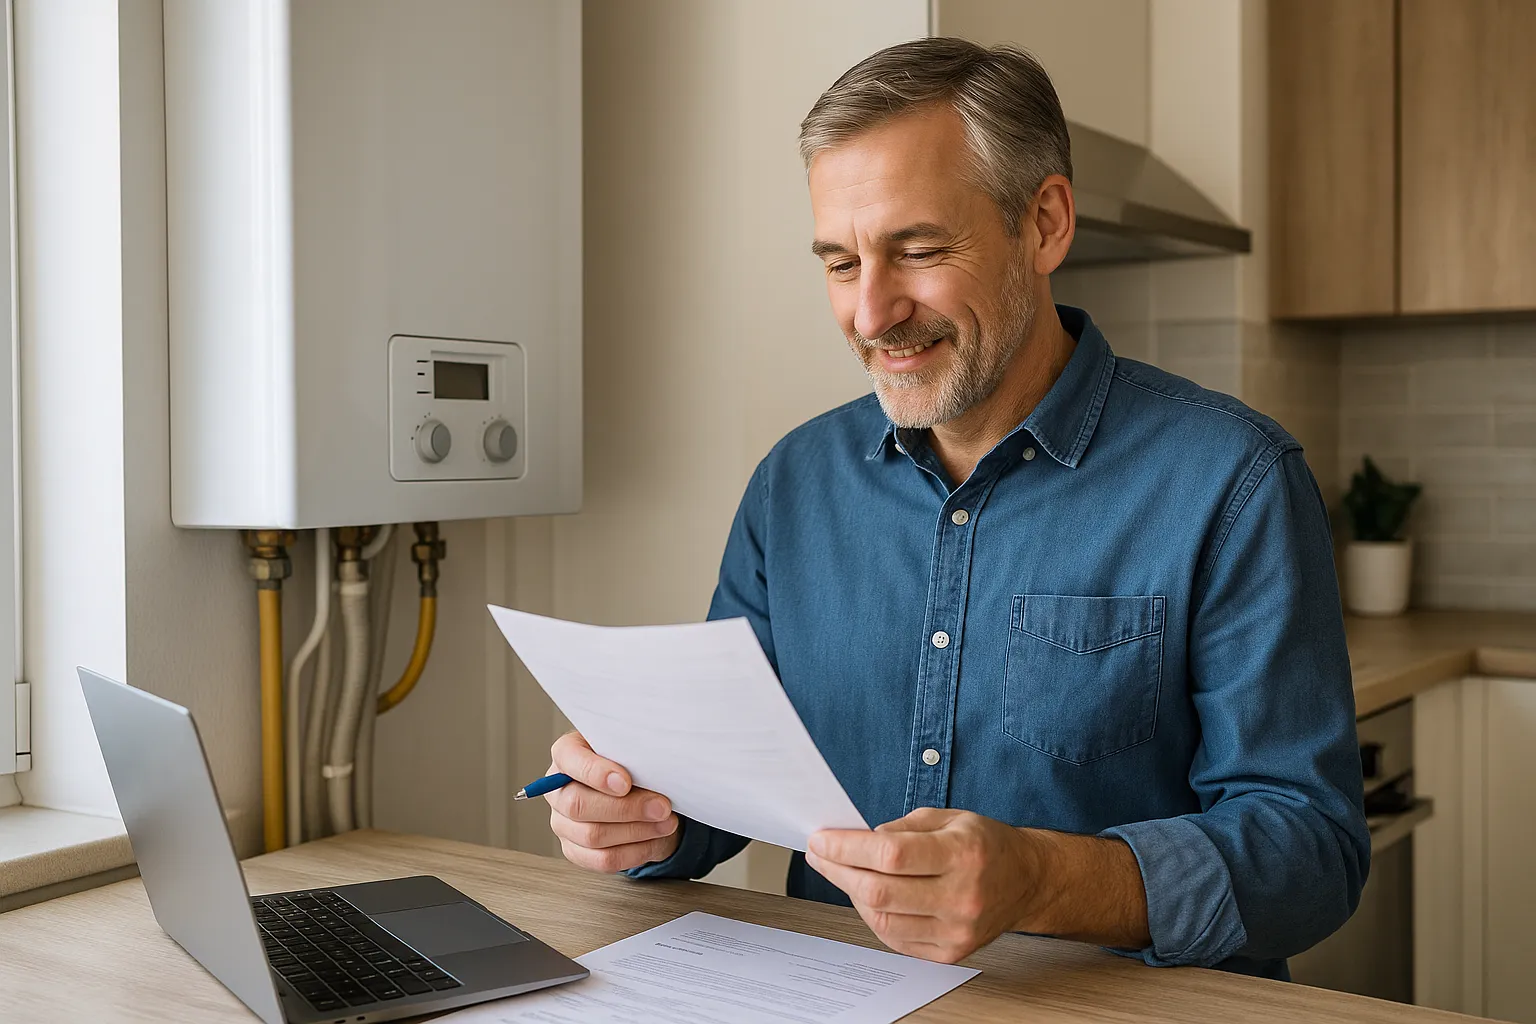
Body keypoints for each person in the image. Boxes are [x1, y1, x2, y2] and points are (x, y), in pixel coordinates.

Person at [541, 37, 1368, 980]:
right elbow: (726, 788)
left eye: (919, 250)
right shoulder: (792, 484)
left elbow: (1313, 852)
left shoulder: (1233, 480)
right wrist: (644, 817)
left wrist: (1045, 880)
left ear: (1046, 222)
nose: (871, 312)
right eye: (841, 263)